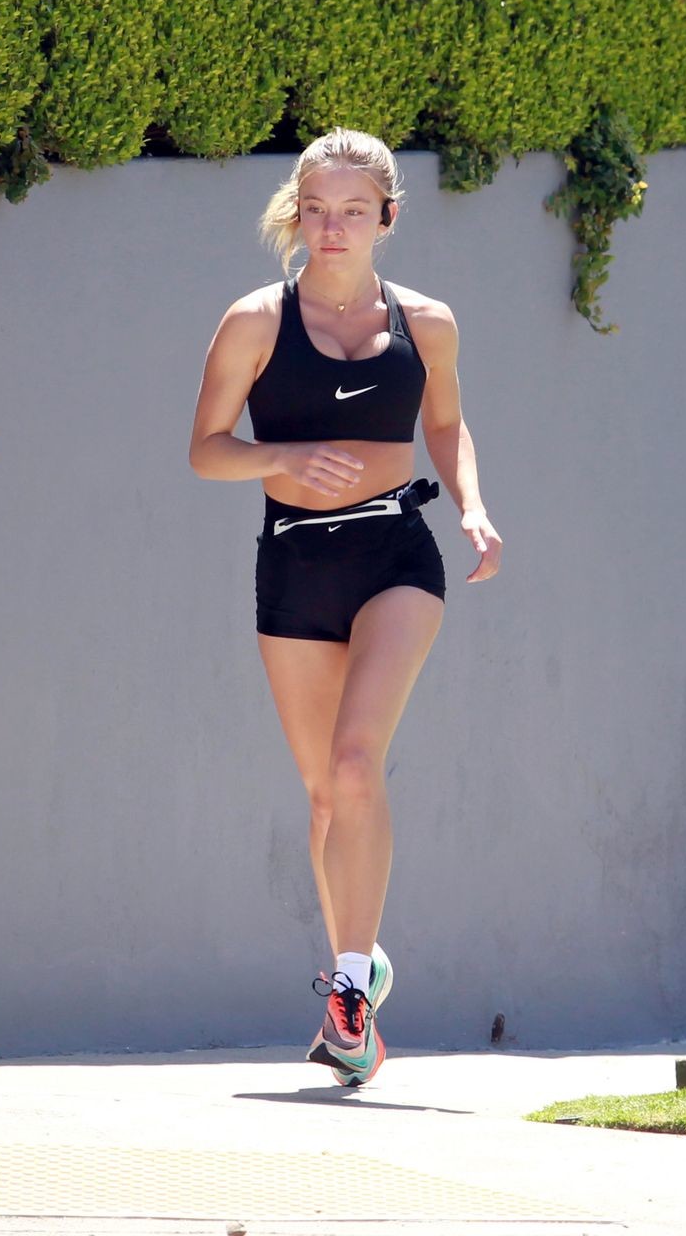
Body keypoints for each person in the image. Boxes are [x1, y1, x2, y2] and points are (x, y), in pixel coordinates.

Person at [188, 129, 501, 1087]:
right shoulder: (254, 321)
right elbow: (206, 449)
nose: (333, 227)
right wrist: (282, 456)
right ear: (297, 212)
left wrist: (473, 506)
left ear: (386, 218)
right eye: (318, 209)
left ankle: (352, 988)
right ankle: (355, 986)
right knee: (326, 793)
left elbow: (445, 423)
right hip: (293, 563)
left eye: (354, 210)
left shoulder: (428, 323)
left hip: (395, 552)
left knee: (359, 764)